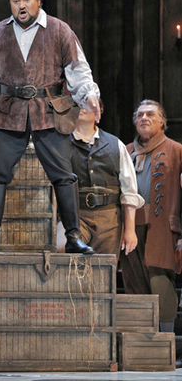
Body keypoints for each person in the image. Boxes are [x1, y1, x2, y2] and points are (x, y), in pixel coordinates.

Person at [0, 0, 101, 254]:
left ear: (39, 1)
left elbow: (77, 67)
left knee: (63, 175)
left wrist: (88, 94)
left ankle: (74, 236)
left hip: (49, 111)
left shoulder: (59, 30)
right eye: (15, 1)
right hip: (8, 111)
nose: (21, 6)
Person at [120, 99, 182, 332]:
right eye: (140, 115)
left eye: (150, 115)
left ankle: (165, 342)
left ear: (162, 122)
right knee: (133, 279)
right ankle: (140, 342)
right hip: (131, 227)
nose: (144, 118)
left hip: (163, 229)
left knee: (160, 281)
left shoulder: (176, 150)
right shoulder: (125, 151)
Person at [57, 101, 144, 258]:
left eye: (87, 103)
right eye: (77, 103)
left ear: (99, 111)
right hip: (73, 215)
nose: (81, 107)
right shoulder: (60, 144)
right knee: (63, 255)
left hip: (109, 218)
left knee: (104, 271)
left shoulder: (115, 144)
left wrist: (130, 230)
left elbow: (129, 190)